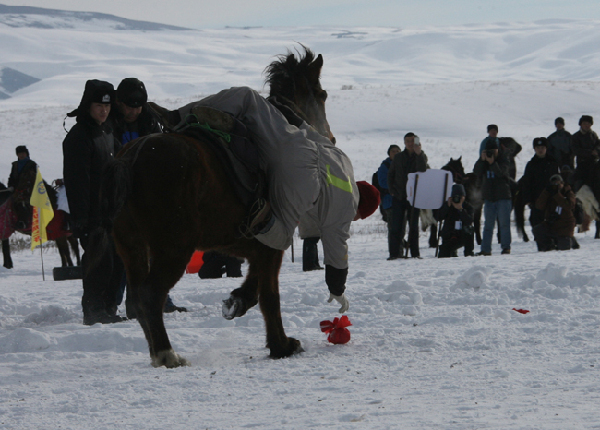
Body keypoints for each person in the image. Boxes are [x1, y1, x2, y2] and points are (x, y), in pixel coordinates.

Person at [153, 86, 380, 313]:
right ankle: (260, 217)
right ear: (362, 209)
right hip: (303, 183)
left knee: (247, 97)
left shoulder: (344, 161)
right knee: (280, 240)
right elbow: (336, 253)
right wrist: (337, 288)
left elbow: (307, 129)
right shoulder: (346, 209)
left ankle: (177, 117)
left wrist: (277, 108)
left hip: (291, 144)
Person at [111, 77, 186, 315]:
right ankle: (112, 302)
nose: (133, 111)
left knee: (155, 251)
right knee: (122, 254)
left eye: (137, 106)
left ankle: (160, 299)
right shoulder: (109, 124)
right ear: (118, 103)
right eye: (128, 106)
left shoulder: (151, 122)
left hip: (147, 196)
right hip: (118, 197)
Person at [62, 79, 126, 325]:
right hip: (91, 215)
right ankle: (93, 311)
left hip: (112, 213)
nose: (104, 110)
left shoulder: (108, 132)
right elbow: (78, 182)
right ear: (88, 105)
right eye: (99, 105)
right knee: (99, 263)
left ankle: (108, 308)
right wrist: (83, 220)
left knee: (115, 262)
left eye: (107, 106)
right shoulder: (79, 136)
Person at [387, 133, 427, 259]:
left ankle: (415, 253)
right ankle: (394, 254)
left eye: (412, 141)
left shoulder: (421, 156)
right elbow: (390, 174)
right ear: (404, 142)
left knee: (413, 227)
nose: (410, 143)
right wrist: (392, 190)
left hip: (414, 197)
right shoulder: (398, 157)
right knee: (396, 227)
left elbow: (423, 170)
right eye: (407, 141)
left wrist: (419, 154)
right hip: (399, 196)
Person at [473, 138, 512, 255]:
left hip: (503, 197)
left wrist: (492, 163)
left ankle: (506, 248)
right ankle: (485, 250)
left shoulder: (503, 159)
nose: (491, 152)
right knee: (488, 226)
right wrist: (481, 160)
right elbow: (476, 172)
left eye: (493, 150)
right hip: (489, 198)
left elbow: (502, 173)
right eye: (489, 150)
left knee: (504, 224)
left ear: (497, 149)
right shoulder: (483, 161)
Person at [519, 137, 560, 229]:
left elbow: (558, 179)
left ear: (546, 148)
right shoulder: (531, 164)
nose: (540, 150)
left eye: (542, 148)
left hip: (552, 199)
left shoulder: (553, 162)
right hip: (536, 199)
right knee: (537, 224)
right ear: (534, 149)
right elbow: (526, 183)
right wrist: (528, 200)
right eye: (538, 148)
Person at [533, 174, 576, 251]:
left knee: (563, 249)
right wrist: (546, 192)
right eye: (553, 184)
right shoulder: (549, 193)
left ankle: (572, 240)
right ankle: (548, 246)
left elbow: (569, 206)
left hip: (565, 225)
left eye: (558, 183)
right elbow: (539, 206)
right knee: (537, 230)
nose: (555, 186)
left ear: (562, 183)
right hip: (551, 225)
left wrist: (557, 195)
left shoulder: (568, 192)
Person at [435, 184, 474, 258]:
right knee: (443, 254)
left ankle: (469, 253)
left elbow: (469, 221)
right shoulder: (448, 206)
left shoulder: (467, 207)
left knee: (470, 230)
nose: (457, 199)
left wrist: (461, 210)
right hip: (449, 234)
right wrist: (446, 207)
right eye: (455, 197)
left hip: (462, 234)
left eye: (459, 197)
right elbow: (438, 218)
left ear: (464, 197)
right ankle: (451, 252)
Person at [378, 144, 401, 257]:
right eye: (393, 151)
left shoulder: (403, 165)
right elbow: (382, 182)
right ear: (389, 153)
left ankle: (399, 251)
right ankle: (394, 253)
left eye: (398, 151)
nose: (396, 153)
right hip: (390, 202)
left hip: (401, 201)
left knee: (401, 228)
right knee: (393, 229)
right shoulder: (384, 167)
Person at [7, 145, 37, 230]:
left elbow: (35, 178)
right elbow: (12, 177)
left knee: (22, 203)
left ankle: (23, 222)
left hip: (28, 190)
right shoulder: (15, 165)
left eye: (23, 153)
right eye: (19, 153)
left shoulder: (32, 164)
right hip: (15, 189)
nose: (21, 155)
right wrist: (10, 186)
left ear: (26, 154)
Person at [571, 115, 599, 191]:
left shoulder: (593, 135)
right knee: (579, 185)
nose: (587, 126)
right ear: (581, 124)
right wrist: (590, 152)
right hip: (582, 165)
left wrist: (597, 150)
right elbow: (576, 150)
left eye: (588, 124)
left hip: (594, 164)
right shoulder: (576, 136)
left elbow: (598, 144)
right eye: (585, 123)